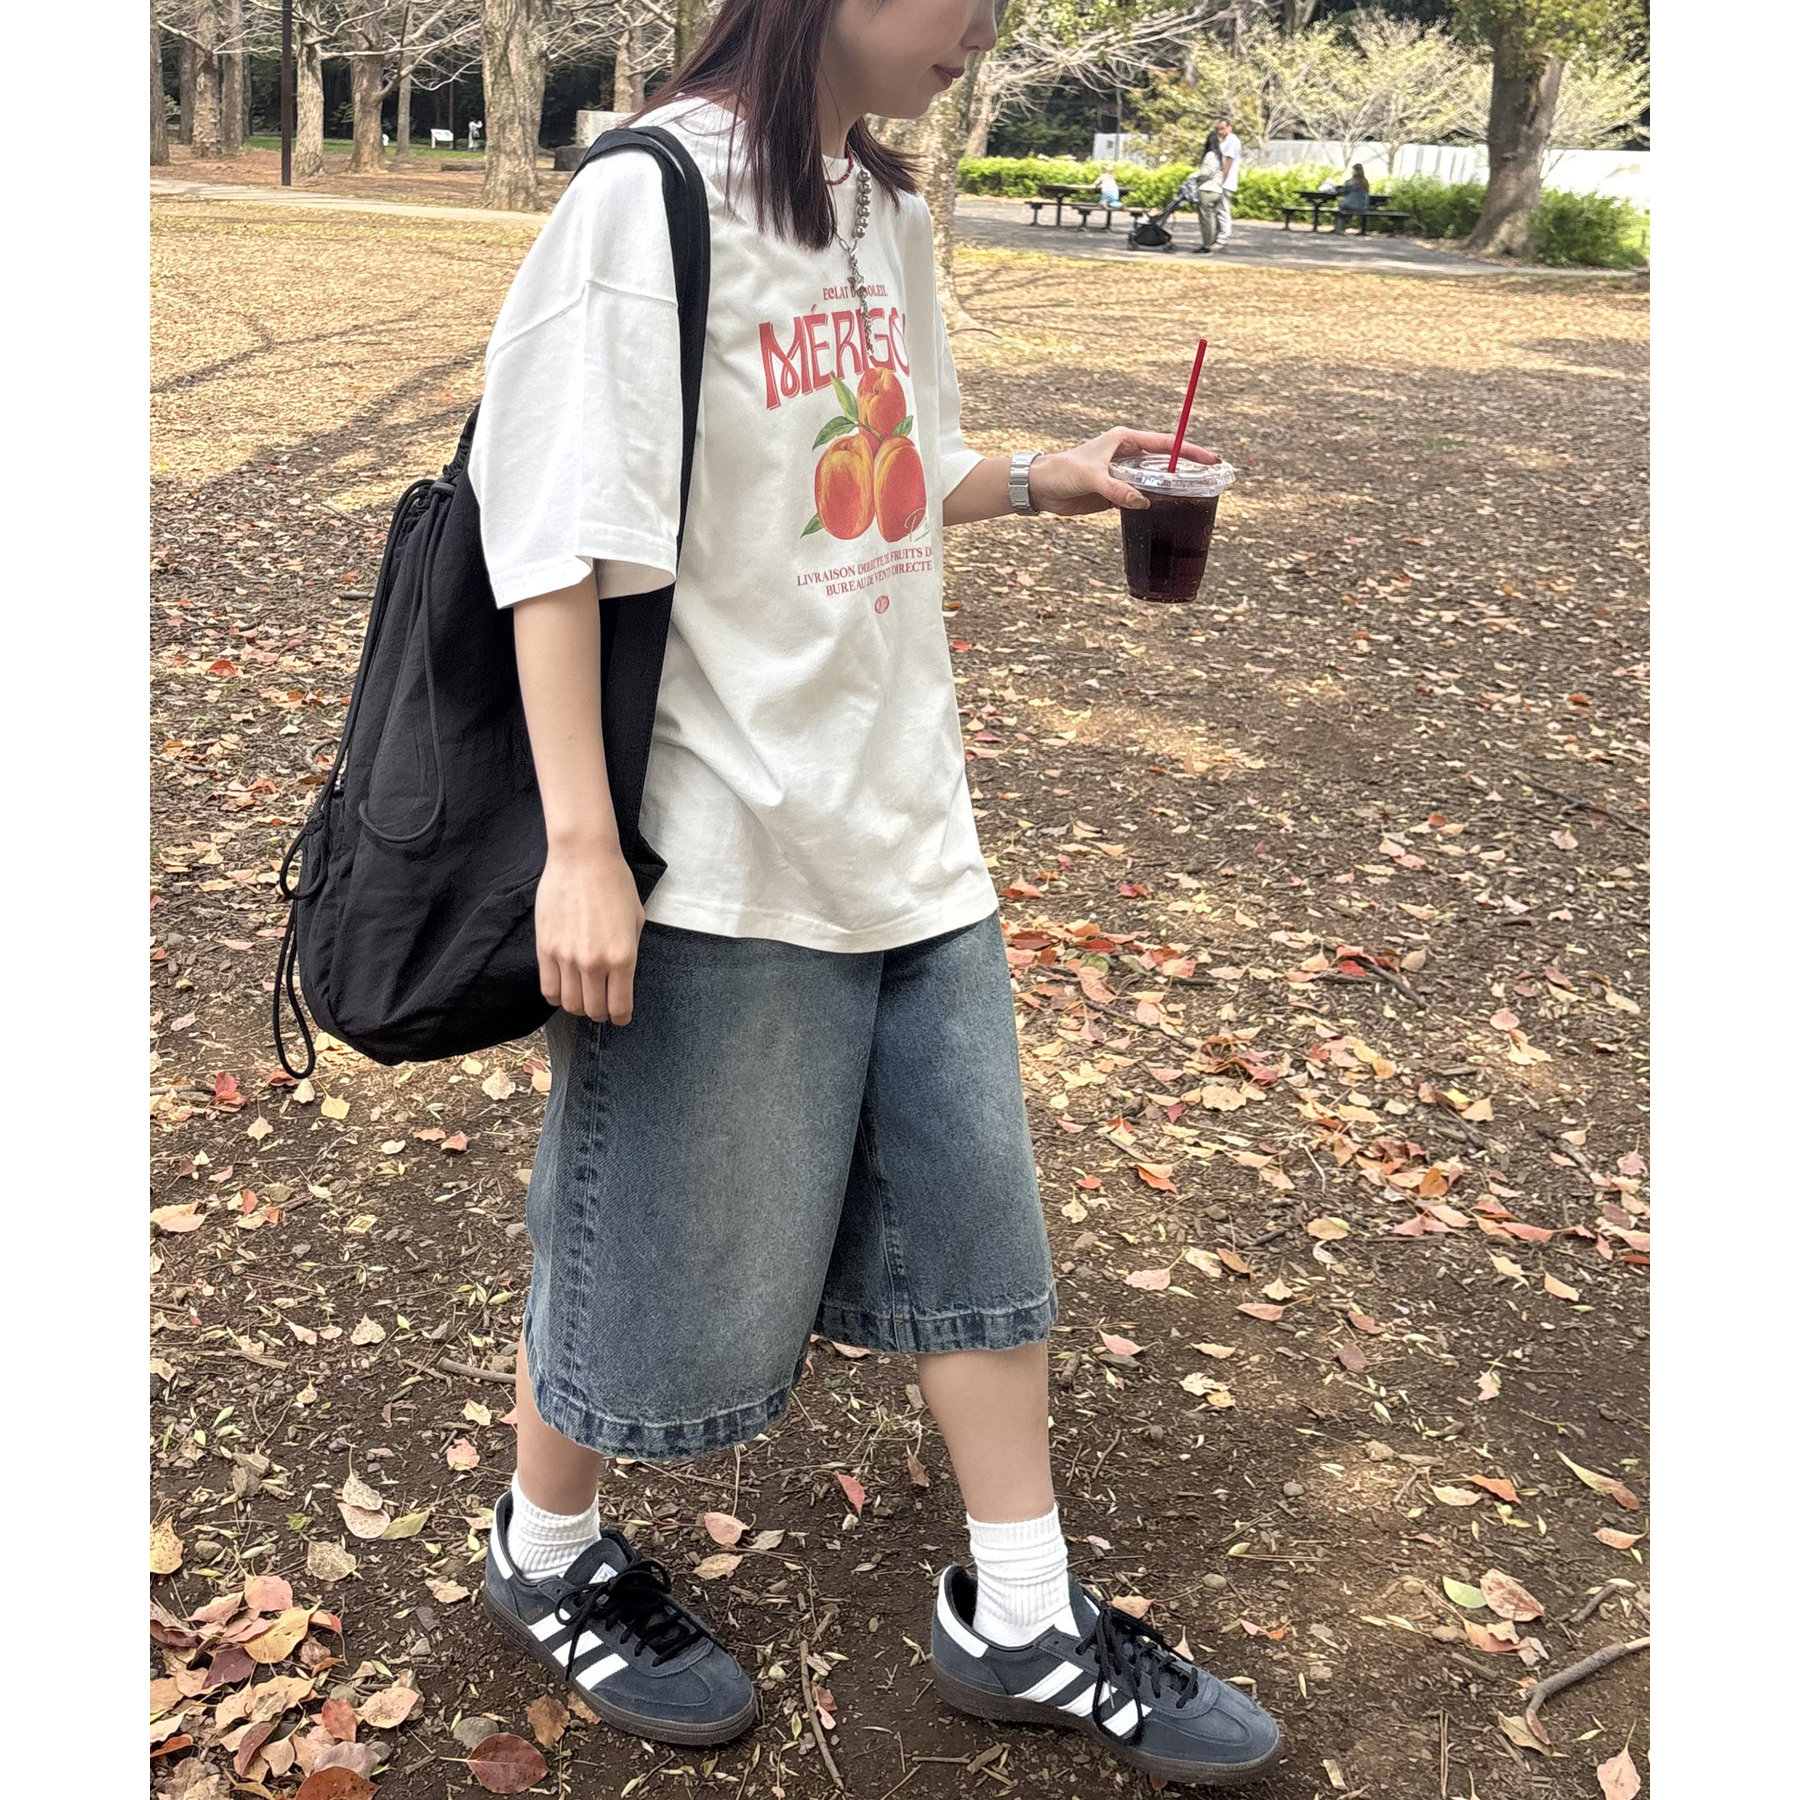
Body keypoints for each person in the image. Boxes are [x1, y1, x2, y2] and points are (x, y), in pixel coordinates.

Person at [466, 0, 1283, 1785]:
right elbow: (550, 544)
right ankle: (541, 1548)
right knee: (647, 1236)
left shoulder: (887, 209)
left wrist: (1049, 479)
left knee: (980, 1231)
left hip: (908, 823)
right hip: (717, 845)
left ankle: (1020, 1612)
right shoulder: (646, 202)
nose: (986, 23)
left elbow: (883, 480)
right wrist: (583, 847)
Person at [1175, 128, 1226, 252]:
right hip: (1218, 190)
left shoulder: (1210, 155)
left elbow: (1206, 172)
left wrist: (1193, 176)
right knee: (1212, 218)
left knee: (1206, 220)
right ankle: (1212, 241)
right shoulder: (1220, 156)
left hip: (1207, 190)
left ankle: (1207, 245)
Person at [1213, 112, 1242, 247]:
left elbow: (1228, 162)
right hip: (1218, 180)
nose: (1221, 132)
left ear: (1230, 128)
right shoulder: (1225, 141)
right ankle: (1217, 234)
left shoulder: (1232, 141)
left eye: (1223, 129)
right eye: (1219, 129)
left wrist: (1221, 180)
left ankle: (1223, 237)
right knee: (1217, 209)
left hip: (1225, 181)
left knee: (1223, 209)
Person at [1333, 162, 1371, 231]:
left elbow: (1343, 192)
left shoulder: (1351, 182)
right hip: (1363, 206)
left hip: (1351, 205)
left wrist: (1337, 189)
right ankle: (1346, 220)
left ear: (1354, 171)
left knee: (1341, 207)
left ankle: (1339, 229)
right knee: (1345, 209)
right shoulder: (1365, 182)